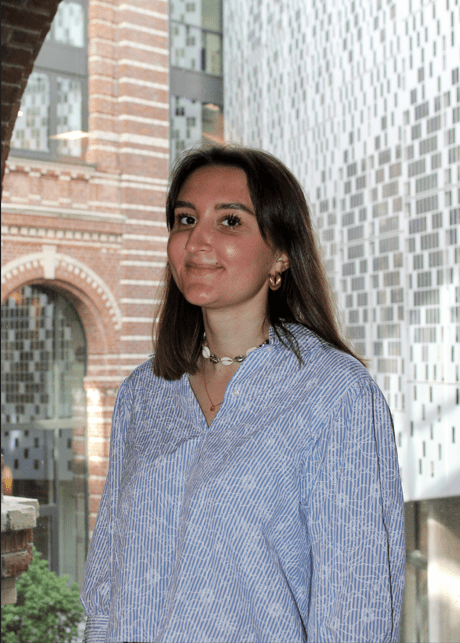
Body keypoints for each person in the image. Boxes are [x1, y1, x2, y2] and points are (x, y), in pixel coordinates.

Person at [81, 145, 405, 643]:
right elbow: (106, 584)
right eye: (185, 219)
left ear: (280, 255)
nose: (197, 241)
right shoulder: (142, 394)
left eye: (229, 221)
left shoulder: (336, 396)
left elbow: (357, 609)